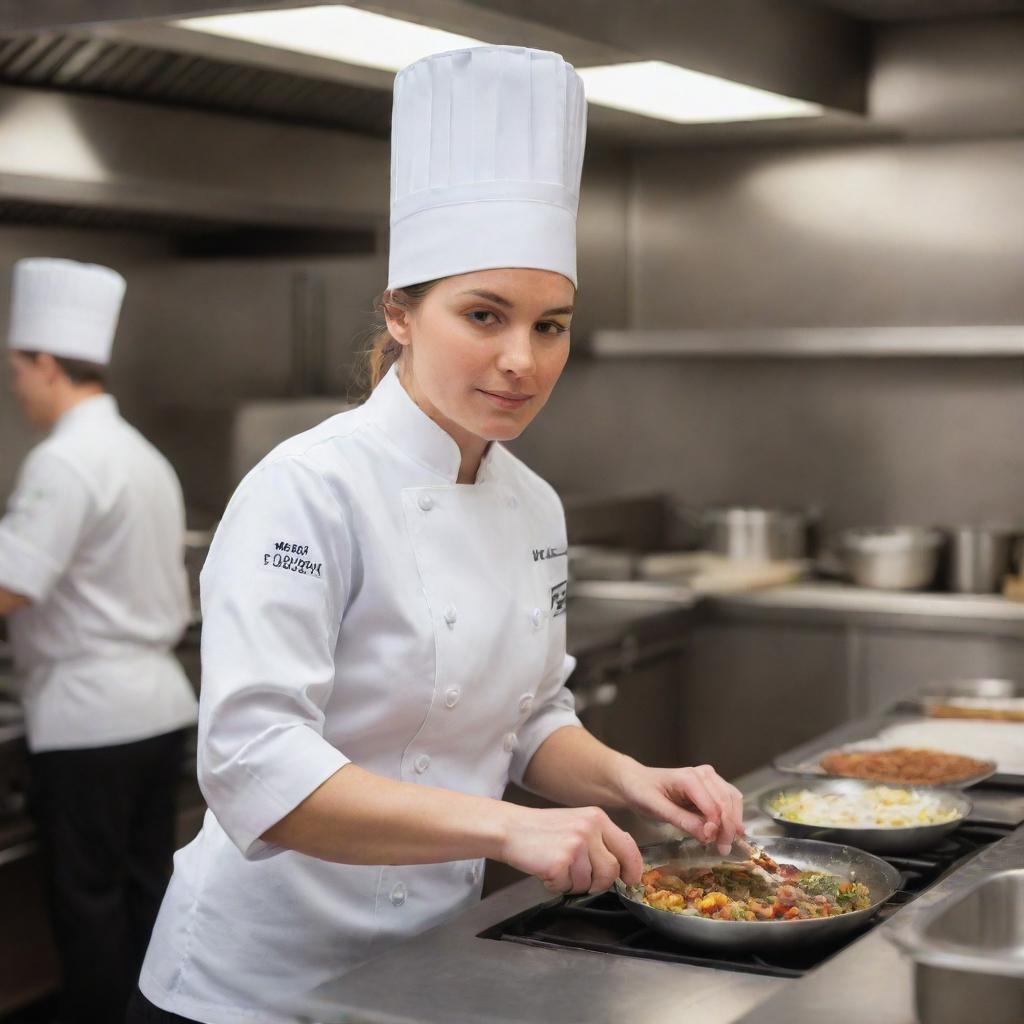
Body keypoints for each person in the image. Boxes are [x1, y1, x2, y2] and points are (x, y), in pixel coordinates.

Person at [131, 46, 744, 1024]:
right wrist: (508, 830)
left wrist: (633, 779)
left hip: (428, 970)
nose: (520, 359)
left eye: (551, 325)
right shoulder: (305, 488)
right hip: (253, 989)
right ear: (400, 313)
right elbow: (254, 766)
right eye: (484, 314)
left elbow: (528, 715)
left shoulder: (533, 504)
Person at [0, 257, 200, 1023]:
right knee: (148, 897)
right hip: (156, 711)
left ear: (47, 366)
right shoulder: (139, 454)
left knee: (87, 911)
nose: (16, 385)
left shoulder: (64, 461)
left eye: (18, 369)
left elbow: (13, 583)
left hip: (89, 720)